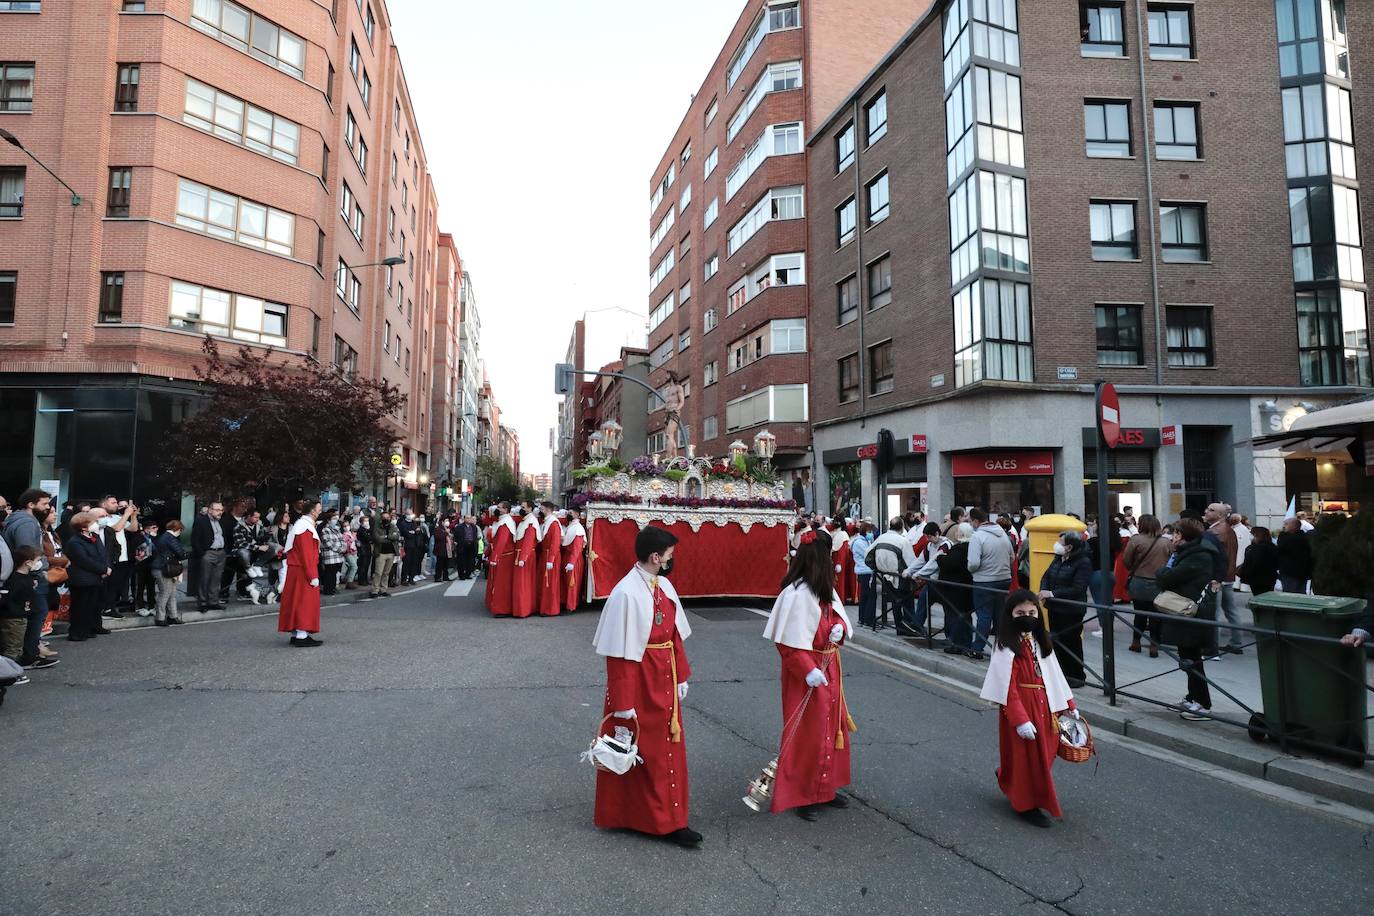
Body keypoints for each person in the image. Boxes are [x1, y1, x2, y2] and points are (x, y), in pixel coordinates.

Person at [591, 526, 700, 847]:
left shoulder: (663, 585)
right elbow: (618, 656)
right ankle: (655, 820)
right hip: (639, 683)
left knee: (667, 749)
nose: (671, 559)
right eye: (669, 554)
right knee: (645, 751)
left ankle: (669, 818)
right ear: (656, 557)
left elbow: (674, 636)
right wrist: (623, 703)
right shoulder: (625, 593)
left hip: (664, 676)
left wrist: (681, 674)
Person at [763, 535, 857, 820]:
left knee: (830, 729)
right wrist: (808, 670)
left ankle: (824, 787)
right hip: (808, 673)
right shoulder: (795, 594)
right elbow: (787, 645)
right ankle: (803, 793)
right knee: (809, 734)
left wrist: (839, 627)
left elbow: (835, 616)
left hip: (828, 665)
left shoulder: (822, 589)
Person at [980, 590, 1080, 828]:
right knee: (1029, 759)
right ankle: (1026, 803)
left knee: (1046, 752)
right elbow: (1007, 687)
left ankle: (1008, 776)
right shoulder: (1006, 645)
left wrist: (1069, 705)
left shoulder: (1040, 640)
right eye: (1021, 613)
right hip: (1024, 707)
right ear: (1011, 615)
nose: (1028, 616)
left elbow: (1055, 675)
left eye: (1032, 612)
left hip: (1047, 705)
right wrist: (1020, 719)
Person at [1154, 518, 1222, 721]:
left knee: (1192, 658)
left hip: (1192, 611)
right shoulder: (1188, 553)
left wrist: (1163, 571)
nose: (1172, 537)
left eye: (1175, 533)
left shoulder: (1198, 556)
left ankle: (1202, 704)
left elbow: (1168, 577)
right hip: (1184, 610)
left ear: (1182, 536)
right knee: (1187, 656)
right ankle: (1193, 697)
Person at [1, 488, 55, 670]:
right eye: (45, 504)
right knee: (36, 614)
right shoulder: (27, 523)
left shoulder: (22, 520)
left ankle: (28, 653)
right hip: (28, 577)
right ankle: (28, 656)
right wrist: (38, 570)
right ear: (31, 505)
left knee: (32, 615)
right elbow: (27, 551)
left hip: (23, 576)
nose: (48, 508)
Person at [1038, 531, 1093, 688]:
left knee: (1071, 642)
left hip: (1071, 610)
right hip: (1054, 607)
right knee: (1056, 640)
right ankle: (1060, 674)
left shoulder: (1083, 562)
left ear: (1069, 547)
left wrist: (1053, 593)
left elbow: (1078, 587)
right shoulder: (1058, 558)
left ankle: (1076, 676)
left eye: (1060, 542)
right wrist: (1044, 590)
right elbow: (1046, 576)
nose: (1057, 544)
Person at [1121, 515, 1172, 657]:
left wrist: (1135, 568)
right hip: (1159, 582)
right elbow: (1171, 561)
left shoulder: (1136, 540)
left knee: (1140, 613)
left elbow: (1126, 560)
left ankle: (1136, 642)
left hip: (1139, 581)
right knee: (1157, 615)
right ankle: (1154, 645)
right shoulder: (1166, 542)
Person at [967, 507, 1013, 655]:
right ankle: (1001, 649)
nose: (969, 524)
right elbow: (1012, 557)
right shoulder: (1003, 534)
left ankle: (977, 648)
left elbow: (973, 563)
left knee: (984, 616)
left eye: (970, 521)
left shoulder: (977, 536)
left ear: (975, 521)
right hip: (1004, 578)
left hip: (984, 580)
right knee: (1000, 615)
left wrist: (972, 570)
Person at [278, 501, 323, 647]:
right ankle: (301, 635)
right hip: (303, 570)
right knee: (304, 603)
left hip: (297, 569)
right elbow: (306, 554)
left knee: (296, 601)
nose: (319, 512)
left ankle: (297, 634)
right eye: (318, 510)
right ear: (312, 511)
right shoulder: (304, 528)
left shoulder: (300, 526)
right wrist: (312, 576)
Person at [64, 512, 112, 642]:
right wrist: (103, 569)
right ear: (83, 527)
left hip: (96, 577)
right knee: (80, 606)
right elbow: (84, 560)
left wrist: (107, 567)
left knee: (93, 604)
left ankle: (90, 628)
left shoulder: (95, 537)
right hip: (81, 579)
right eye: (92, 522)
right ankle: (76, 632)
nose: (96, 524)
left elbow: (104, 553)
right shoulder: (75, 542)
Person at [867, 518, 918, 634]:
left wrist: (876, 567)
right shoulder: (902, 541)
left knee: (896, 603)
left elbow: (868, 556)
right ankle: (909, 628)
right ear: (902, 527)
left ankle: (899, 628)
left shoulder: (880, 538)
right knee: (907, 602)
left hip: (884, 576)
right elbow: (911, 562)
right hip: (900, 576)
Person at [1204, 502, 1242, 655]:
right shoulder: (1228, 530)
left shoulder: (1216, 532)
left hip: (1217, 578)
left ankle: (1213, 645)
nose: (1206, 511)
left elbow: (1215, 557)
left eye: (1211, 510)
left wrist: (1214, 578)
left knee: (1215, 612)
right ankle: (1236, 642)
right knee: (1231, 610)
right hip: (1227, 576)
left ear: (1219, 515)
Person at [936, 523, 977, 656]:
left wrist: (940, 557)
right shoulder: (971, 547)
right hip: (965, 587)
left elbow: (949, 564)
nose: (955, 533)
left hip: (955, 589)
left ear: (962, 534)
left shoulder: (960, 549)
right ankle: (965, 643)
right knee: (964, 616)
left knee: (957, 616)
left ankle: (958, 644)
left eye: (958, 531)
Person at [190, 501, 229, 613]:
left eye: (221, 510)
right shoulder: (201, 521)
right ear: (210, 510)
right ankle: (202, 603)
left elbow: (225, 536)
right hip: (208, 552)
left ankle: (213, 601)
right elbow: (195, 539)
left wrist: (226, 550)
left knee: (216, 579)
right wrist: (202, 553)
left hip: (220, 552)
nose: (220, 512)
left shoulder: (221, 521)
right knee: (204, 578)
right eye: (217, 510)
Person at [150, 519, 188, 626]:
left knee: (171, 593)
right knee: (166, 593)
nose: (180, 533)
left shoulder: (164, 537)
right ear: (177, 529)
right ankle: (160, 618)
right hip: (164, 569)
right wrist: (186, 554)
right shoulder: (170, 538)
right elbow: (180, 552)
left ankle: (173, 616)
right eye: (180, 530)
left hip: (164, 568)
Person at [486, 504, 517, 615]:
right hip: (502, 555)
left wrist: (495, 556)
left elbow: (502, 541)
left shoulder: (506, 522)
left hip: (505, 557)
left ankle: (502, 608)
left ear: (506, 509)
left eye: (500, 507)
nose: (497, 509)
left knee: (502, 584)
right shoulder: (502, 520)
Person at [510, 507, 539, 618]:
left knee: (523, 584)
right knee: (521, 584)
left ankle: (523, 609)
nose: (521, 509)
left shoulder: (531, 522)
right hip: (520, 554)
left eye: (523, 506)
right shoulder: (525, 520)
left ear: (529, 508)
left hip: (524, 555)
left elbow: (529, 541)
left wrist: (523, 557)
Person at [536, 501, 564, 617]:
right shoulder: (547, 522)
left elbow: (555, 543)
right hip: (545, 555)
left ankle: (550, 609)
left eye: (541, 509)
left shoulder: (553, 523)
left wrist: (551, 559)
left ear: (547, 510)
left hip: (550, 556)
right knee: (544, 582)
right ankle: (543, 606)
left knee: (550, 583)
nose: (540, 511)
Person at [369, 509, 402, 599]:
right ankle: (374, 590)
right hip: (380, 552)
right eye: (384, 518)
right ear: (381, 518)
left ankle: (383, 590)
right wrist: (389, 538)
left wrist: (387, 537)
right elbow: (377, 539)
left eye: (388, 517)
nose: (386, 519)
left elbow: (396, 536)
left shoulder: (392, 526)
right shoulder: (377, 527)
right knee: (378, 572)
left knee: (386, 573)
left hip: (391, 553)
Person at [1237, 526, 1279, 597]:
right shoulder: (1273, 547)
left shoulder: (1254, 548)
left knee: (1258, 595)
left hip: (1256, 578)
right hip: (1270, 577)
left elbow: (1252, 563)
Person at [1275, 518, 1312, 595]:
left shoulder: (1289, 538)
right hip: (1302, 572)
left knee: (1290, 593)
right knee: (1301, 592)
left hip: (1290, 572)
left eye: (1286, 524)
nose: (1284, 526)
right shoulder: (1305, 537)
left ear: (1294, 526)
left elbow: (1280, 550)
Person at [851, 522, 876, 628]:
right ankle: (867, 620)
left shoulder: (865, 541)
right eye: (870, 531)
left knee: (865, 596)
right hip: (864, 571)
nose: (871, 533)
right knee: (869, 596)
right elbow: (868, 554)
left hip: (865, 571)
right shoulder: (859, 542)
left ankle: (863, 619)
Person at [561, 509, 587, 612]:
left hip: (574, 559)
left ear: (577, 514)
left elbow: (576, 548)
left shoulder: (578, 529)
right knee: (566, 582)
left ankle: (571, 606)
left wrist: (571, 562)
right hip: (567, 556)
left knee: (572, 584)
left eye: (570, 513)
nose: (568, 515)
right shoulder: (570, 526)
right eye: (568, 513)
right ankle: (565, 602)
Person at [317, 510, 345, 596]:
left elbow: (342, 539)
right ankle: (328, 589)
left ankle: (333, 588)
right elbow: (327, 542)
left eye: (336, 519)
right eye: (333, 518)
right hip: (330, 555)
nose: (335, 520)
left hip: (337, 555)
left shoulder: (337, 529)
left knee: (334, 572)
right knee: (329, 573)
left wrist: (343, 547)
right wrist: (340, 549)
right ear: (328, 520)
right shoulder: (325, 529)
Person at [455, 515, 480, 580]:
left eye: (470, 518)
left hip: (471, 545)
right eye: (467, 518)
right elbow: (456, 536)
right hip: (463, 545)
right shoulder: (459, 527)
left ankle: (468, 574)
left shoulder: (474, 527)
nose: (469, 519)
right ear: (464, 519)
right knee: (461, 561)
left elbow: (475, 535)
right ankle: (461, 575)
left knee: (470, 561)